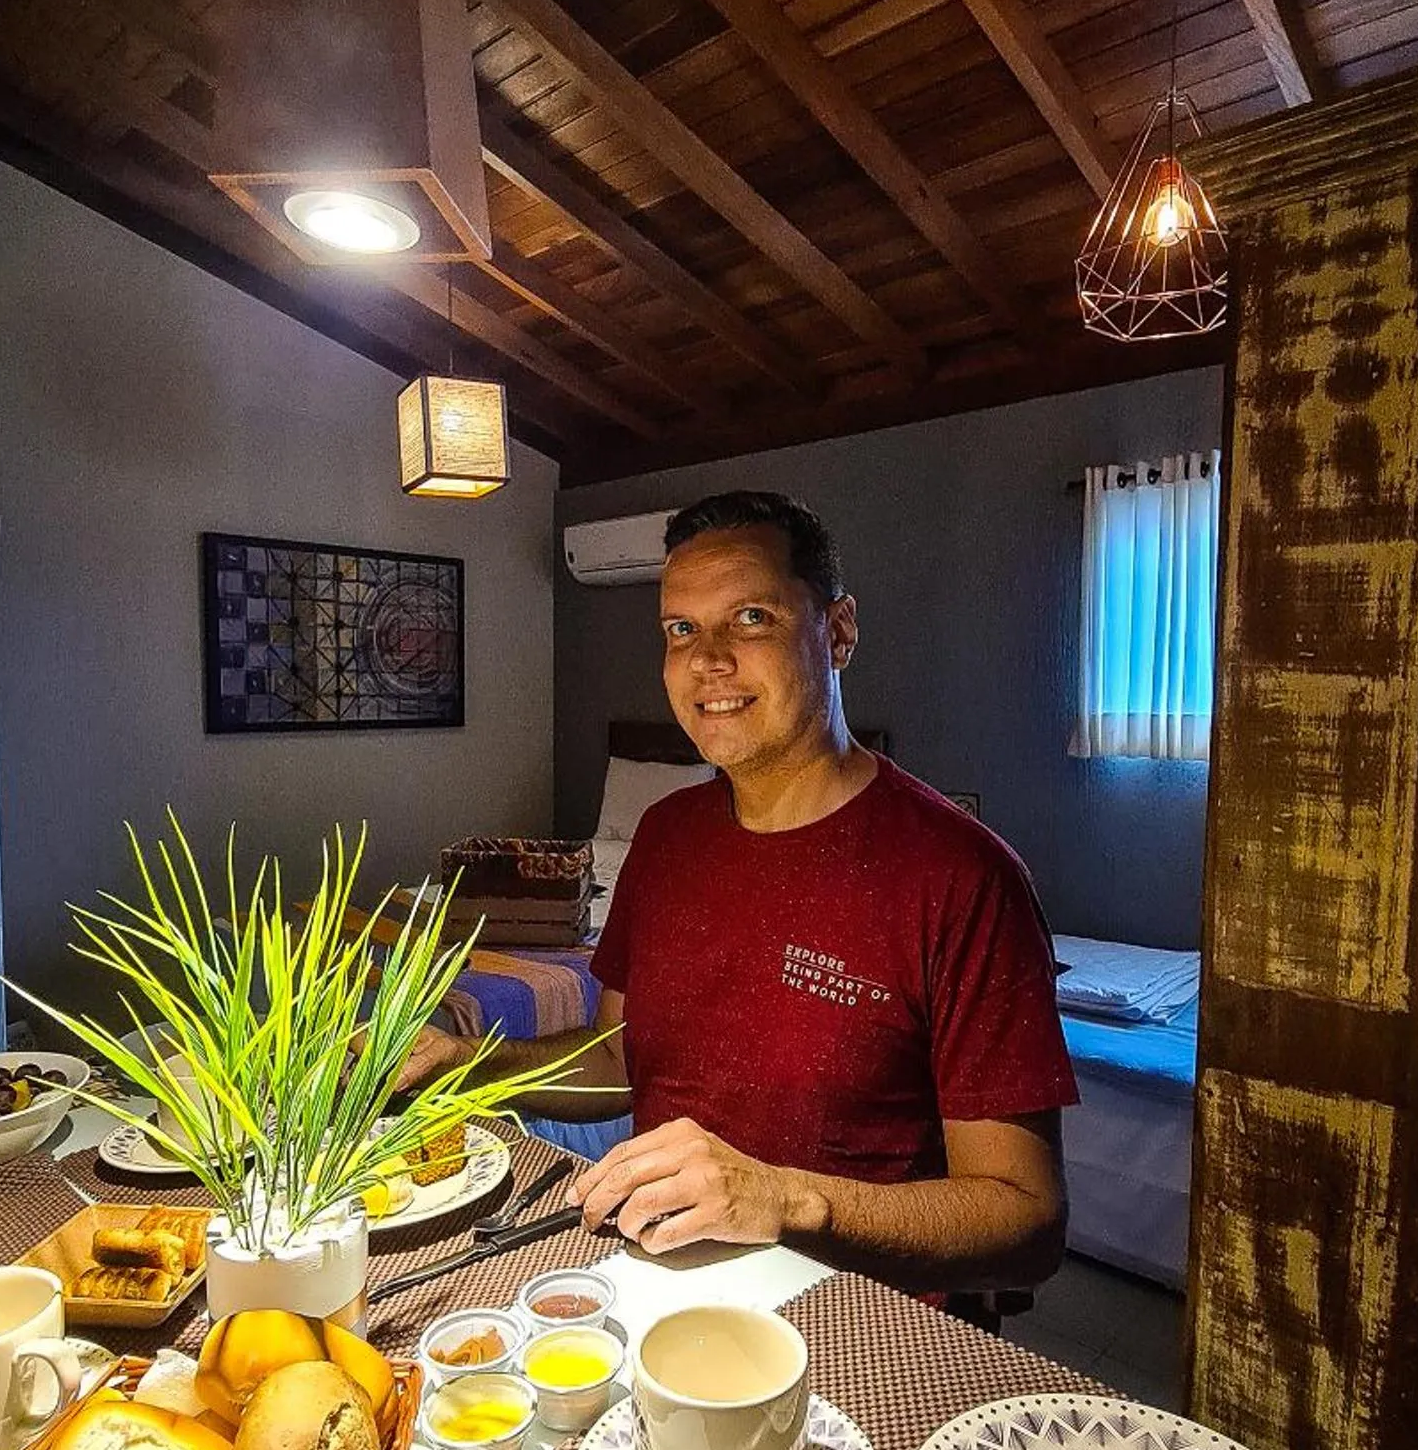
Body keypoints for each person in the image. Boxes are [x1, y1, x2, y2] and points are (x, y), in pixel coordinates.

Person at [408, 490, 1076, 1294]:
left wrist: (784, 1198)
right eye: (681, 629)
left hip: (861, 1322)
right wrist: (465, 1064)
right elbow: (621, 1062)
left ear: (838, 632)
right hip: (662, 1286)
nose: (707, 659)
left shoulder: (962, 877)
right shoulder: (664, 837)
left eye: (751, 617)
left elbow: (1025, 1218)